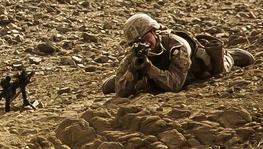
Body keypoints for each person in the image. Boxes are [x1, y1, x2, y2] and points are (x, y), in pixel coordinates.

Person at [105, 13, 254, 97]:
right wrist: (132, 71)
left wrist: (149, 68)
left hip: (192, 68)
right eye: (136, 43)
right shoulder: (135, 52)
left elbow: (175, 84)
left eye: (145, 39)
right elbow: (121, 92)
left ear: (154, 32)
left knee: (217, 69)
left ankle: (230, 56)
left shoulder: (177, 47)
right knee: (110, 86)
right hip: (162, 73)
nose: (143, 45)